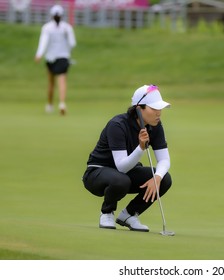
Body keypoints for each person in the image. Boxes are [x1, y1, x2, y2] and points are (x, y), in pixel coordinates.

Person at [82, 85, 173, 232]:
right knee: (121, 180)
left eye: (160, 109)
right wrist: (141, 148)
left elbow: (164, 160)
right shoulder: (117, 125)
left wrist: (157, 177)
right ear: (138, 108)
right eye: (154, 109)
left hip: (126, 172)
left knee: (164, 179)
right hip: (97, 173)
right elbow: (121, 167)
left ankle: (129, 215)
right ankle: (107, 212)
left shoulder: (155, 126)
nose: (159, 113)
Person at [34, 4, 76, 116]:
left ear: (51, 15)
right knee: (62, 81)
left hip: (50, 58)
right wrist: (68, 51)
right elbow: (72, 43)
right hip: (63, 57)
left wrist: (39, 54)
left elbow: (43, 42)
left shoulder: (47, 27)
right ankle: (62, 103)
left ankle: (50, 105)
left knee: (51, 83)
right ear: (62, 15)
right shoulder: (67, 27)